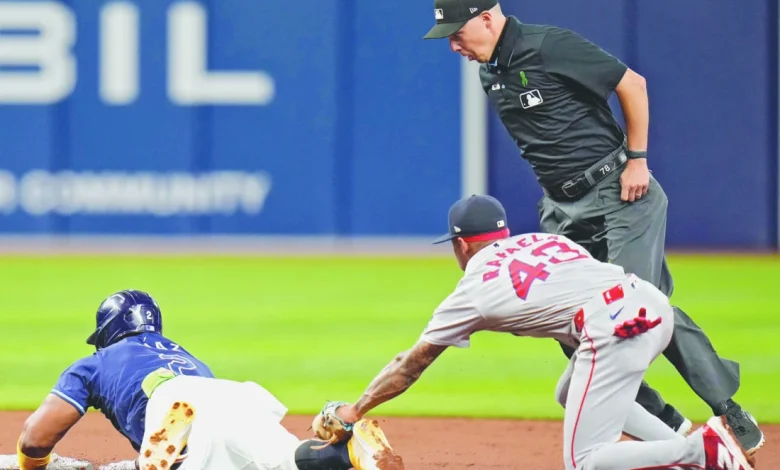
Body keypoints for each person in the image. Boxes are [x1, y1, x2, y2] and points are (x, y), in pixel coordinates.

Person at [420, 0, 764, 454]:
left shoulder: (547, 45)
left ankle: (728, 408)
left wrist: (638, 160)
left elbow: (632, 84)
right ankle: (669, 422)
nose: (453, 45)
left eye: (458, 33)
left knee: (635, 303)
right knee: (572, 324)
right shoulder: (490, 74)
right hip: (563, 209)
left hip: (620, 191)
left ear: (487, 17)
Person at [319, 194, 756, 470]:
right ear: (503, 233)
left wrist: (357, 408)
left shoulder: (473, 287)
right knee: (570, 393)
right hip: (650, 305)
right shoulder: (552, 242)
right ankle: (686, 449)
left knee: (585, 461)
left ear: (461, 244)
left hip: (614, 327)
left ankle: (702, 451)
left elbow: (411, 363)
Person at [16, 289, 403, 470]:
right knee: (284, 461)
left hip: (170, 403)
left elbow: (36, 437)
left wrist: (33, 465)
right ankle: (354, 453)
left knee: (186, 460)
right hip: (231, 393)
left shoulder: (96, 361)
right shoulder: (187, 356)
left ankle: (153, 464)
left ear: (108, 332)